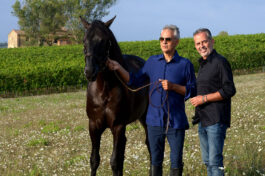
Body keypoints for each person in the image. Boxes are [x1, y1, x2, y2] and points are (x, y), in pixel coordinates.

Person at [107, 25, 196, 176]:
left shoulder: (185, 64)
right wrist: (118, 68)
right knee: (155, 162)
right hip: (154, 122)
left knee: (176, 162)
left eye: (168, 39)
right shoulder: (152, 62)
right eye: (162, 39)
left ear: (176, 42)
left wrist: (174, 87)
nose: (164, 42)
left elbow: (193, 91)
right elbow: (134, 80)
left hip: (176, 122)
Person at [190, 28, 236, 176]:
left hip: (216, 119)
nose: (201, 46)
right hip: (203, 120)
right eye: (198, 43)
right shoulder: (203, 64)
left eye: (204, 41)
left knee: (215, 163)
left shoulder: (220, 62)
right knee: (208, 162)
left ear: (212, 41)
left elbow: (229, 89)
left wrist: (203, 98)